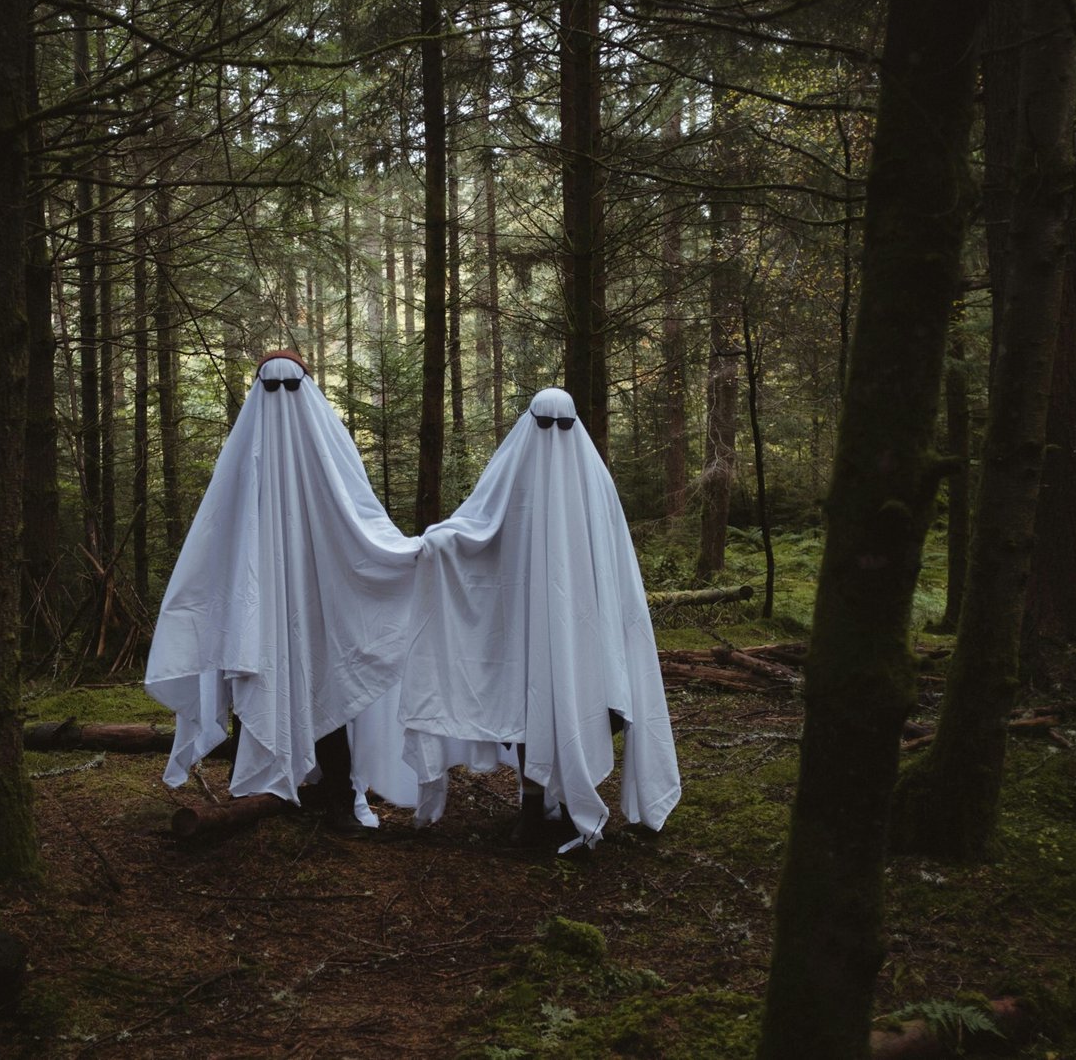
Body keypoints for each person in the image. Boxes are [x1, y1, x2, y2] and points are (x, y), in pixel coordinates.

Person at [145, 350, 418, 830]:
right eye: (271, 389)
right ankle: (264, 783)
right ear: (258, 391)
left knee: (322, 678)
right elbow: (219, 538)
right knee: (257, 669)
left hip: (321, 605)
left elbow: (360, 520)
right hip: (258, 609)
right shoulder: (244, 458)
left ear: (305, 389)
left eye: (289, 387)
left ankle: (333, 787)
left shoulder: (326, 451)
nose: (280, 398)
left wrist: (406, 556)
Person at [398, 387, 681, 849]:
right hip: (524, 628)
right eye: (546, 424)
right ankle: (532, 810)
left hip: (583, 630)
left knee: (579, 702)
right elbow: (477, 528)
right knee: (532, 706)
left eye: (562, 425)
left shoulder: (591, 483)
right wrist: (438, 544)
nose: (553, 435)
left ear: (573, 426)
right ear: (532, 422)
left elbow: (611, 563)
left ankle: (570, 807)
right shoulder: (519, 475)